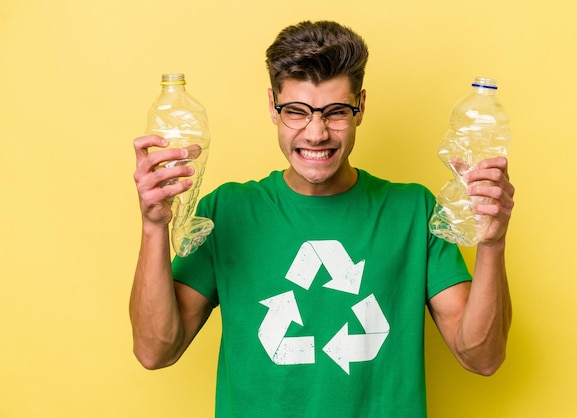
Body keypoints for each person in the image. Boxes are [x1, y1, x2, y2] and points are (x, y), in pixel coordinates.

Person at [130, 20, 514, 417]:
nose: (316, 133)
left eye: (335, 112)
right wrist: (154, 226)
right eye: (296, 111)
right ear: (272, 107)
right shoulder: (226, 212)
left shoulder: (414, 212)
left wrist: (492, 243)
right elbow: (155, 350)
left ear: (361, 107)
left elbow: (482, 358)